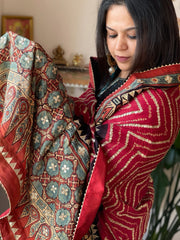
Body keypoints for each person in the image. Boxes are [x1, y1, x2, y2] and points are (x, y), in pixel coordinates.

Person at [0, 0, 179, 240]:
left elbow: (95, 162)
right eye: (111, 34)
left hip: (106, 224)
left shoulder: (158, 105)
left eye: (133, 36)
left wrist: (43, 78)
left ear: (159, 32)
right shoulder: (118, 73)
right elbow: (80, 113)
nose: (119, 46)